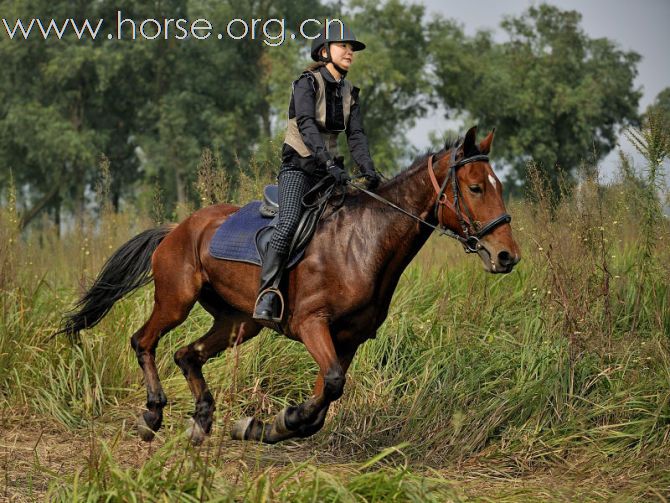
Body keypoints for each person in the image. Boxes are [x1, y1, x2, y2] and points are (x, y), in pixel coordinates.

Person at [253, 22, 381, 322]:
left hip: (330, 172)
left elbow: (357, 135)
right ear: (325, 51)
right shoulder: (306, 83)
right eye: (343, 46)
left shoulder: (350, 91)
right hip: (299, 168)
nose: (350, 51)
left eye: (352, 48)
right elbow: (307, 126)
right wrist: (327, 162)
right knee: (286, 227)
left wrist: (368, 169)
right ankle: (267, 294)